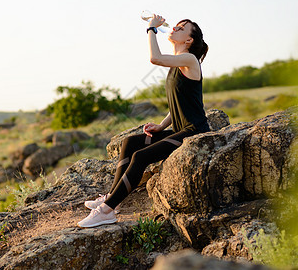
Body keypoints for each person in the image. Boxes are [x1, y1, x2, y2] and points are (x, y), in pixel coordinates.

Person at [77, 14, 210, 228]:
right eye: (175, 26)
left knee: (140, 157)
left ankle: (106, 211)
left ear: (189, 41)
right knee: (130, 143)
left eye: (182, 28)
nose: (175, 28)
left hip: (194, 132)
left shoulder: (189, 60)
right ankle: (112, 197)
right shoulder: (177, 64)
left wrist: (151, 29)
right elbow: (181, 103)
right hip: (180, 130)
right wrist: (161, 126)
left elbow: (154, 58)